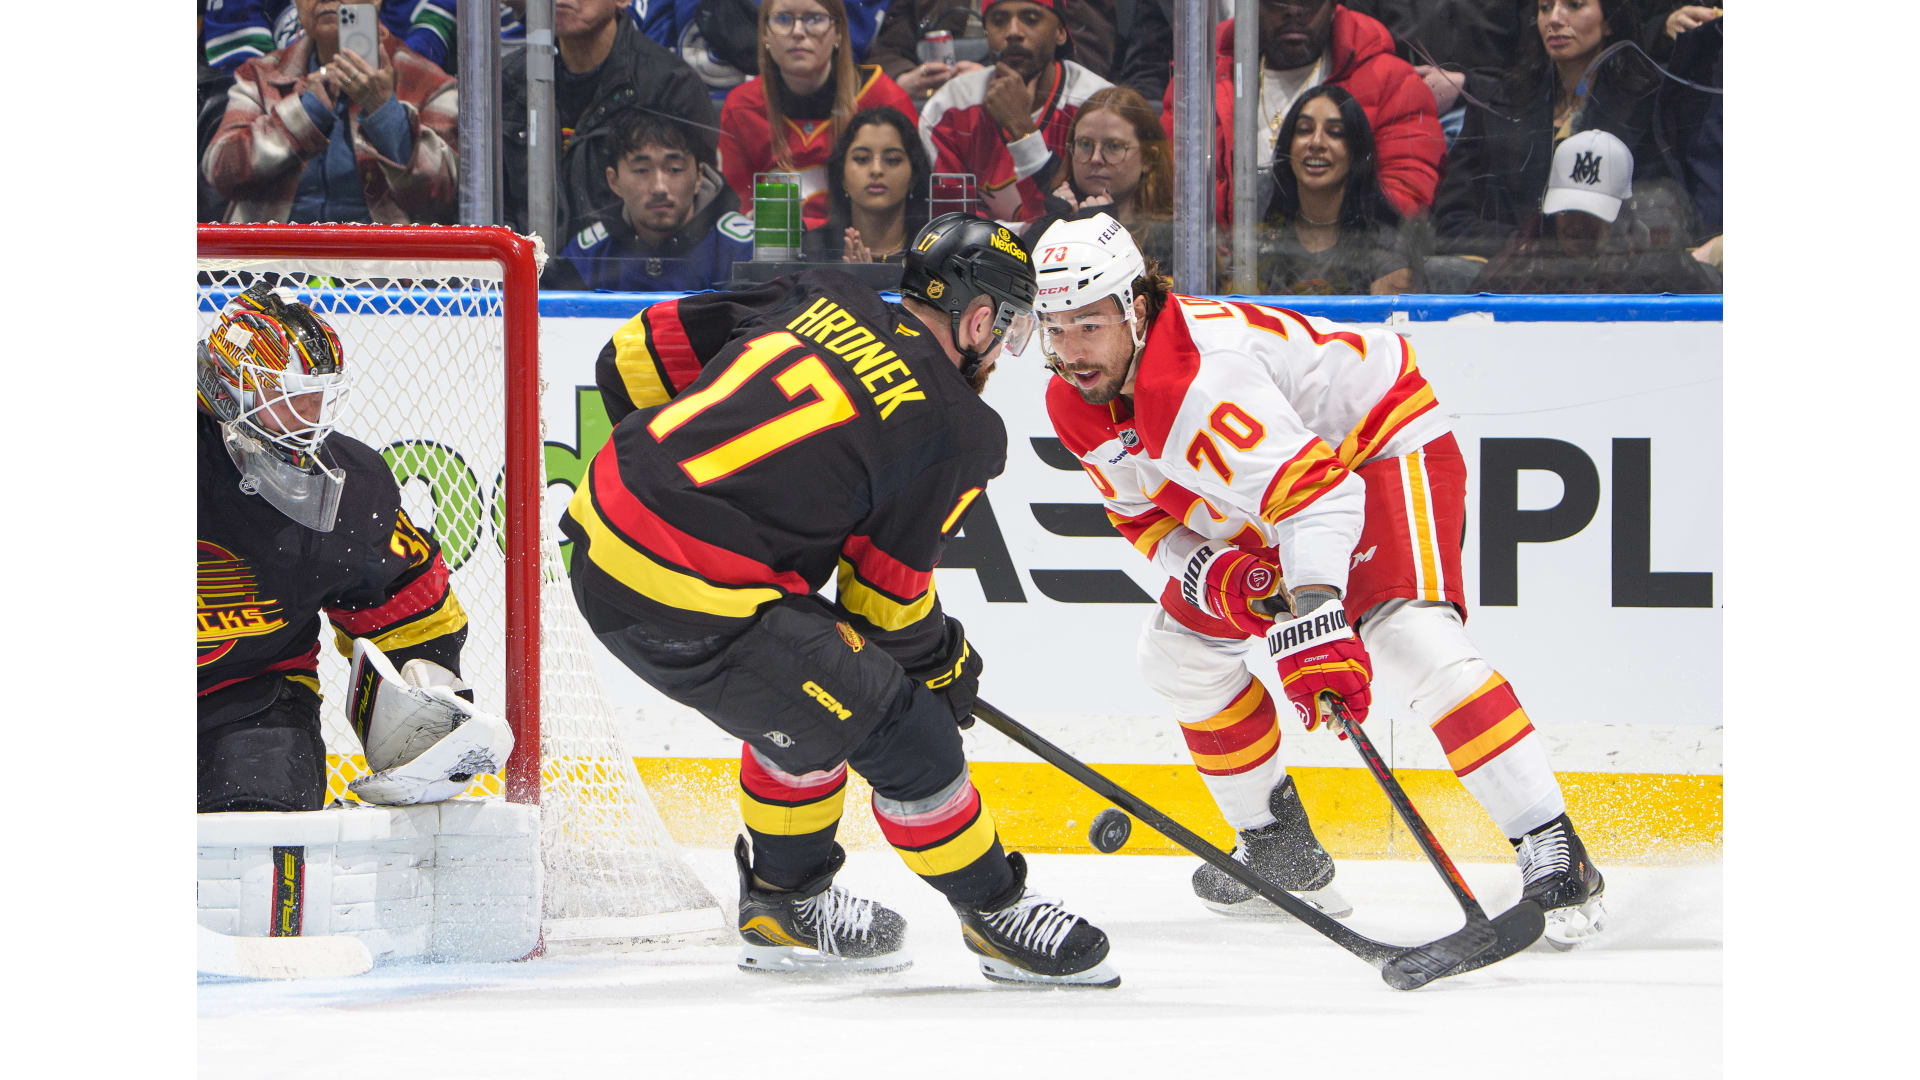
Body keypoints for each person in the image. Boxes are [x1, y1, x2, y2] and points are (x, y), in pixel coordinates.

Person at [560, 213, 1118, 986]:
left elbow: (634, 354)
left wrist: (684, 484)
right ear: (978, 319)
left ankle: (784, 904)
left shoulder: (823, 292)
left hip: (599, 524)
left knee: (811, 695)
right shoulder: (959, 427)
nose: (1000, 351)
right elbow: (883, 607)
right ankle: (997, 912)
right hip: (689, 592)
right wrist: (941, 663)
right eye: (1007, 330)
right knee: (910, 735)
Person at [1031, 213, 1608, 948]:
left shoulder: (1201, 382)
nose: (1072, 350)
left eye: (1089, 325)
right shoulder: (1075, 397)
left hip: (1374, 448)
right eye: (1056, 328)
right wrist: (1212, 571)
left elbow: (1324, 498)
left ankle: (1554, 851)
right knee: (1177, 654)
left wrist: (1315, 615)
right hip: (1276, 491)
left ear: (1136, 310)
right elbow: (1143, 516)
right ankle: (1280, 850)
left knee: (1408, 639)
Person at [198, 282, 514, 815]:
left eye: (318, 394)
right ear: (230, 387)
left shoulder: (349, 487)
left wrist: (425, 685)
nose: (310, 413)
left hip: (252, 697)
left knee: (261, 824)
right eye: (288, 394)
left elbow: (402, 601)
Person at [1169, 0, 1444, 224]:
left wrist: (1323, 244)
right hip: (1222, 265)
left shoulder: (1391, 82)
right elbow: (1167, 182)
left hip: (1345, 263)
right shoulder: (1201, 77)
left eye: (1308, 2)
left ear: (1334, 5)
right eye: (1278, 2)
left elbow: (1406, 195)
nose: (1293, 11)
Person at [1431, 0, 1662, 257]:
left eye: (1574, 5)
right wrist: (1527, 245)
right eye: (1545, 8)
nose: (1554, 19)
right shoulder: (1496, 101)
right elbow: (1452, 219)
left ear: (1609, 21)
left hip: (1607, 269)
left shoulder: (1644, 107)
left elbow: (1652, 215)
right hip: (1508, 268)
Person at [203, 0, 458, 224]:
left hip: (381, 262)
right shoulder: (260, 75)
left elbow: (442, 194)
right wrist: (303, 113)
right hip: (273, 260)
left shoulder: (428, 83)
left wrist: (383, 110)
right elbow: (221, 172)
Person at [502, 0, 717, 240]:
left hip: (626, 260)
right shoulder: (509, 81)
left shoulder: (670, 86)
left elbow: (697, 204)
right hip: (522, 259)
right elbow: (491, 204)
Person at [720, 0, 919, 233]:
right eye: (783, 19)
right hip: (776, 248)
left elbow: (911, 205)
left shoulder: (884, 99)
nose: (797, 32)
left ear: (838, 32)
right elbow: (735, 213)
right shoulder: (741, 106)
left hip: (865, 247)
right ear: (764, 33)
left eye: (814, 19)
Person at [919, 0, 1113, 221]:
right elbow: (954, 225)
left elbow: (1095, 223)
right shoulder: (948, 108)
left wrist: (1022, 129)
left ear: (1060, 33)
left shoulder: (1099, 107)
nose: (1013, 32)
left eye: (1031, 19)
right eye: (999, 21)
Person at [1472, 129, 1719, 293]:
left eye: (1593, 214)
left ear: (1623, 213)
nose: (1578, 225)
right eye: (1567, 210)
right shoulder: (1513, 272)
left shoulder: (1664, 272)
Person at [548, 112, 755, 291]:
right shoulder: (588, 254)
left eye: (674, 169)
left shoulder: (742, 248)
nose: (659, 188)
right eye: (641, 171)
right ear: (614, 181)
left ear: (699, 177)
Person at [1258, 85, 1417, 295]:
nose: (1316, 143)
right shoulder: (1262, 233)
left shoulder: (1386, 247)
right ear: (1289, 145)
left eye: (1335, 133)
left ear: (1355, 151)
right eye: (1305, 130)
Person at [1022, 86, 1174, 268]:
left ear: (1148, 158)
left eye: (1114, 146)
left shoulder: (1173, 238)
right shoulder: (1057, 217)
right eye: (1085, 144)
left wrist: (1102, 231)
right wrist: (1051, 226)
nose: (1095, 159)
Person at [800, 106, 933, 262]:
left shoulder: (932, 252)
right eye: (862, 159)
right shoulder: (813, 249)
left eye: (892, 160)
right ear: (841, 174)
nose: (876, 170)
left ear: (914, 175)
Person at [202, 0, 457, 74]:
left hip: (391, 91)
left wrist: (400, 83)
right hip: (281, 102)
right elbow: (238, 49)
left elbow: (427, 38)